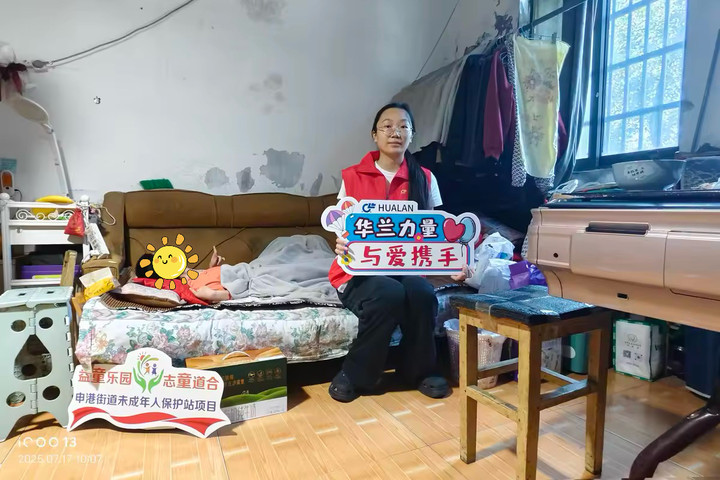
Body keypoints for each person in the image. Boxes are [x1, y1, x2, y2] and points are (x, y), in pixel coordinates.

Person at [327, 102, 467, 403]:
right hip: (359, 271)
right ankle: (355, 373)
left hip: (405, 267)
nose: (396, 132)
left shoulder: (425, 178)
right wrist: (342, 244)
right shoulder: (352, 176)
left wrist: (454, 264)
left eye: (404, 126)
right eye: (388, 126)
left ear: (412, 135)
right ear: (374, 135)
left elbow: (436, 233)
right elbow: (343, 228)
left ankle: (419, 370)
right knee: (388, 293)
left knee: (422, 294)